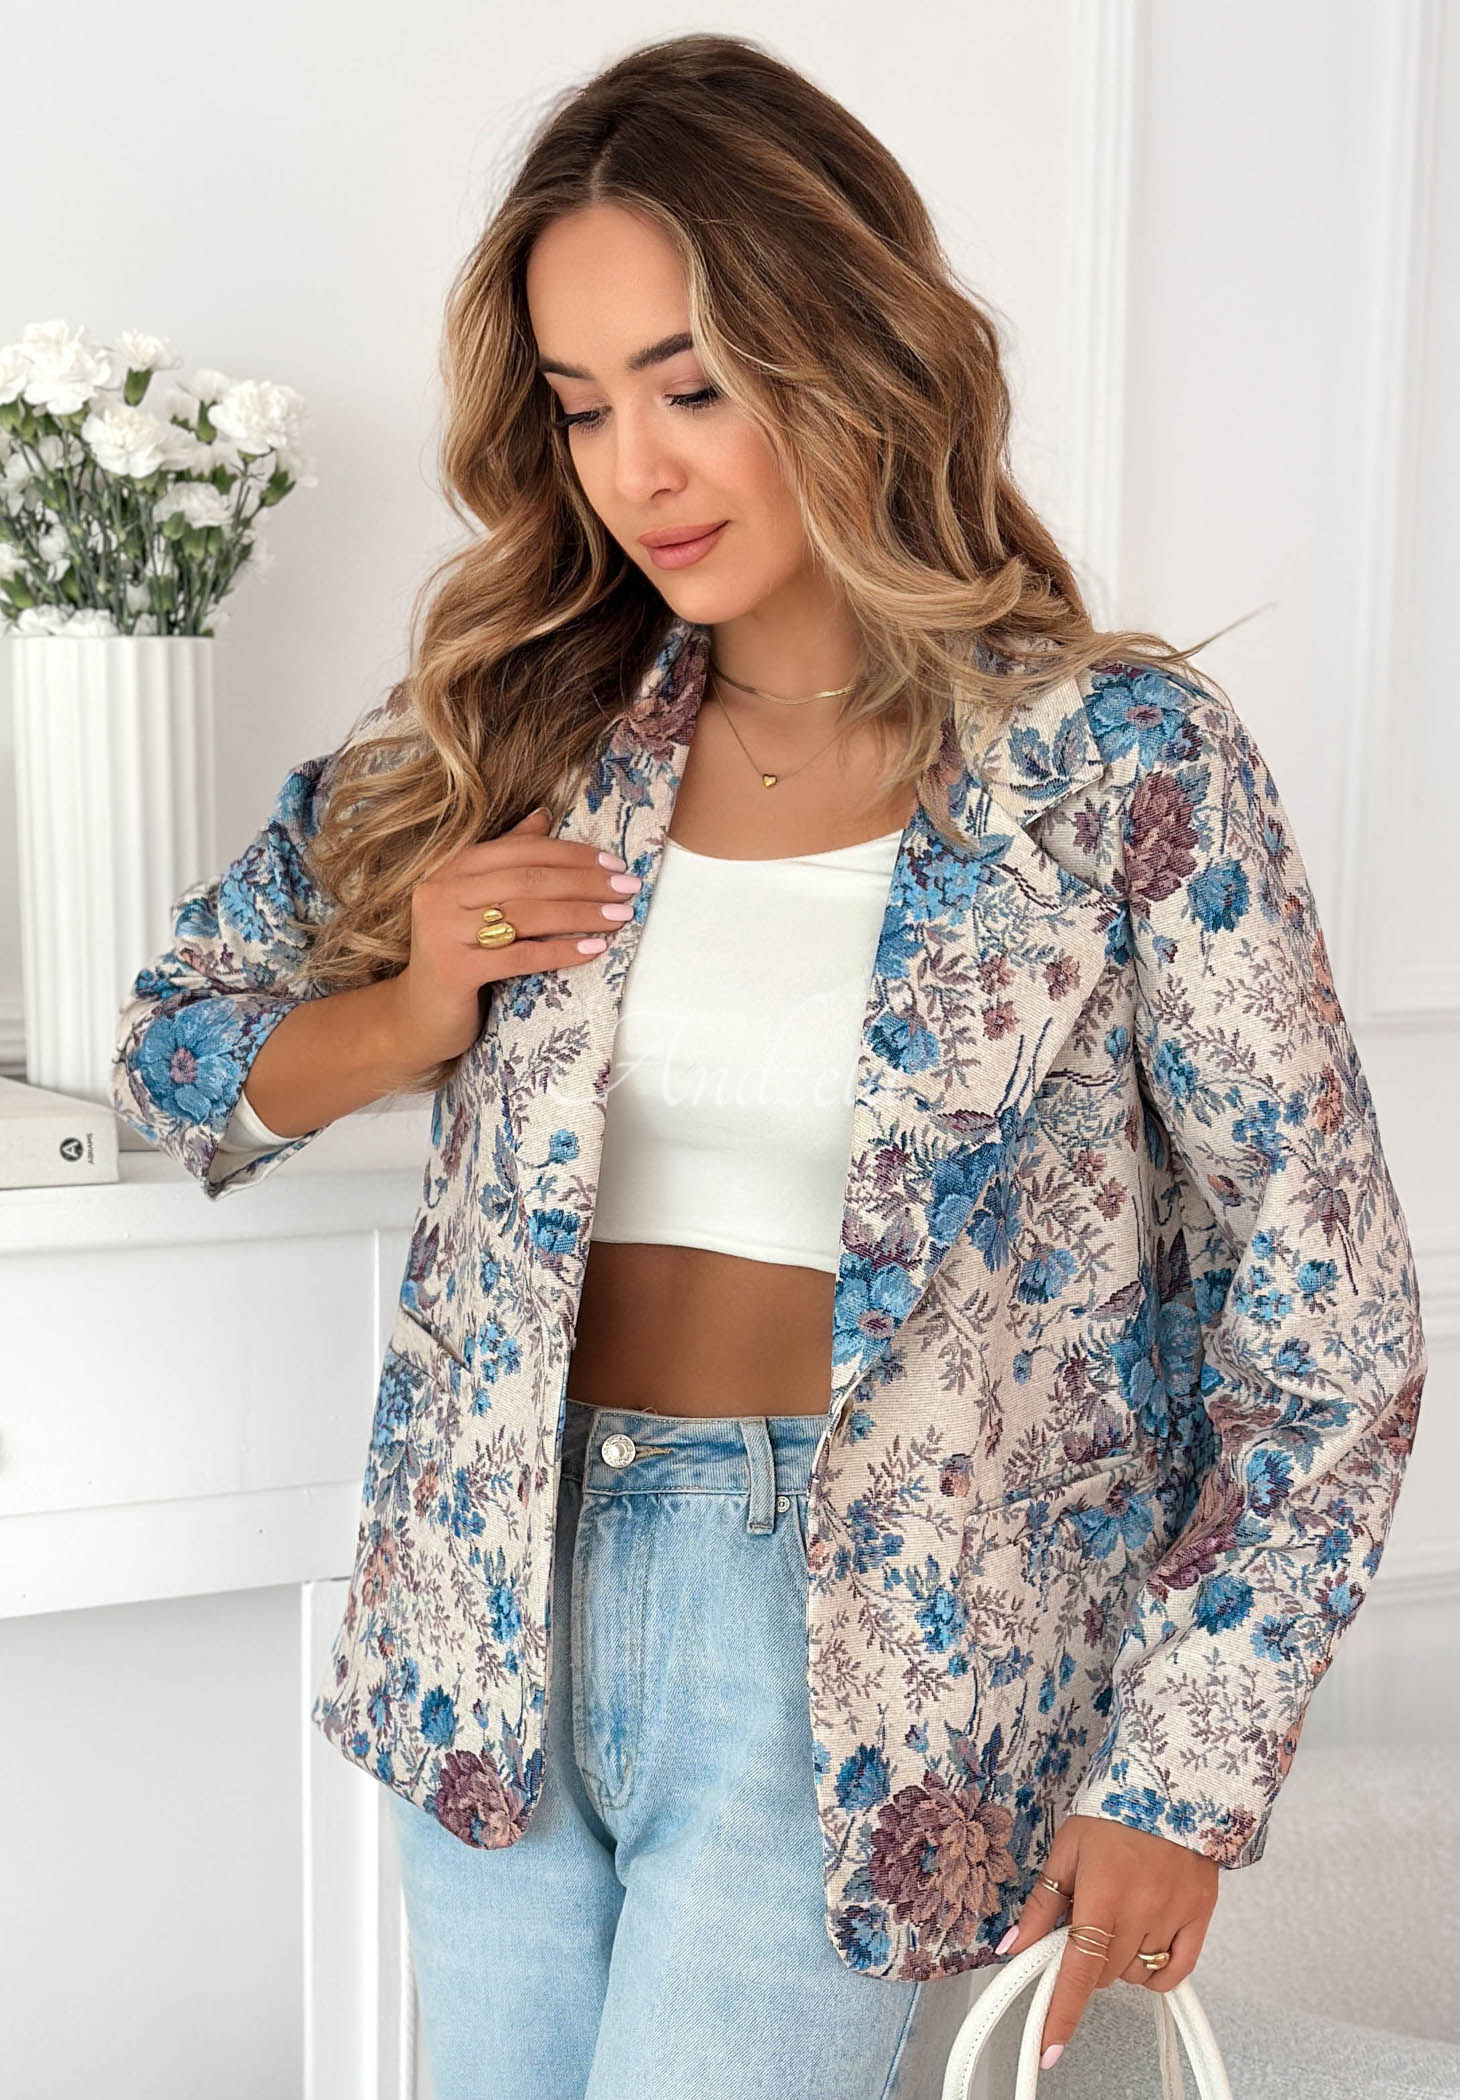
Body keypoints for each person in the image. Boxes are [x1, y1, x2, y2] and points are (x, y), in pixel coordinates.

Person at [110, 31, 1427, 2100]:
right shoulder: (525, 729)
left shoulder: (1116, 768)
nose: (635, 469)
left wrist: (1181, 1775)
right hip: (489, 1600)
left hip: (856, 1640)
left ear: (850, 349)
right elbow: (167, 1056)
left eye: (694, 385)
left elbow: (1330, 1320)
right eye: (582, 406)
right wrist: (406, 1009)